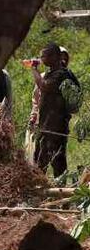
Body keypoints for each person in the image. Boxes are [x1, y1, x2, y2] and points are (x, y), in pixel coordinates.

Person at [31, 43, 81, 177]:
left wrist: (34, 69)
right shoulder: (54, 72)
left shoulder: (61, 74)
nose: (42, 59)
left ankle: (58, 186)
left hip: (55, 126)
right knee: (43, 160)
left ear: (54, 57)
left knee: (55, 161)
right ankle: (41, 186)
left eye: (44, 56)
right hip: (48, 125)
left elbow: (44, 86)